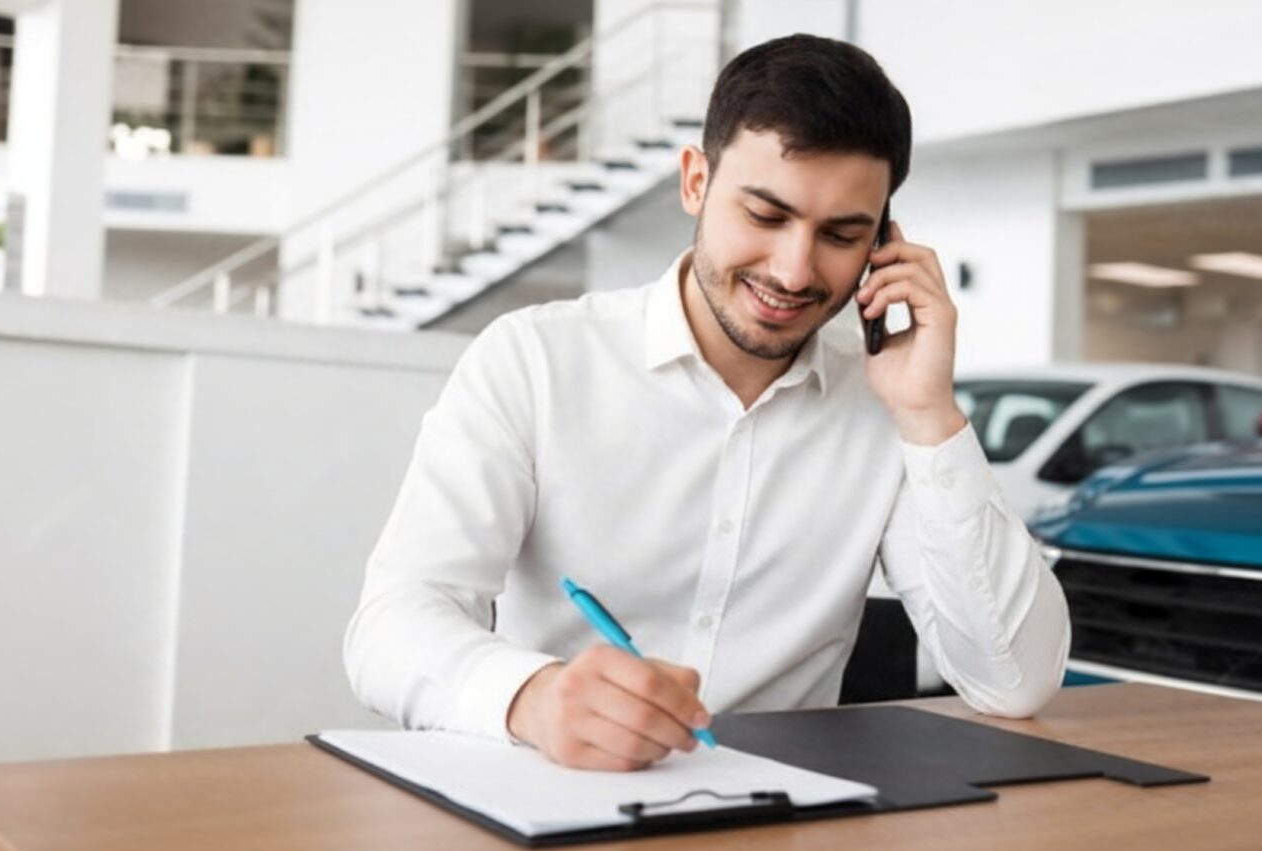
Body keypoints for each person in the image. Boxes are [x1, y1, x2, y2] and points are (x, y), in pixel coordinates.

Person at [341, 34, 1070, 771]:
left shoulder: (886, 399)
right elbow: (390, 626)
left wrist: (928, 416)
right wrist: (532, 698)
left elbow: (1014, 683)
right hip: (559, 789)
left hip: (789, 808)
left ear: (882, 242)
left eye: (841, 234)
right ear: (695, 181)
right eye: (765, 216)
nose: (794, 270)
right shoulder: (534, 360)